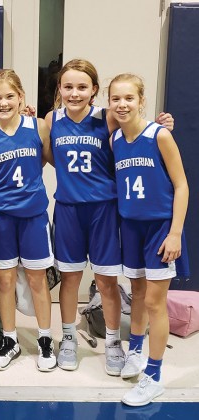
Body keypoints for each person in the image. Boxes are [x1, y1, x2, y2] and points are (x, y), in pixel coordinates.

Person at [44, 59, 174, 375]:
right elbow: (49, 156)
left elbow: (137, 130)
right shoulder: (51, 118)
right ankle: (70, 338)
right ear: (59, 89)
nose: (74, 93)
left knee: (106, 280)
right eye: (68, 87)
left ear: (94, 91)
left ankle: (114, 342)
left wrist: (163, 125)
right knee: (71, 278)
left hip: (104, 209)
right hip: (68, 209)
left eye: (82, 87)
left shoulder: (107, 117)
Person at [108, 74, 188, 406]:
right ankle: (136, 350)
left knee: (155, 303)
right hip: (131, 227)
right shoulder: (115, 140)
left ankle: (153, 377)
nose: (122, 104)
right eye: (116, 99)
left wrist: (175, 232)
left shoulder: (160, 135)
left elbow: (182, 185)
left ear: (142, 100)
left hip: (159, 229)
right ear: (109, 103)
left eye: (129, 98)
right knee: (138, 293)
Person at [0, 69, 57, 372]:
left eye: (10, 96)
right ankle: (10, 339)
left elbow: (49, 159)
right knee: (5, 281)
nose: (4, 102)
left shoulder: (38, 126)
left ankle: (45, 339)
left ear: (21, 97)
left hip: (33, 217)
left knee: (37, 280)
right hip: (0, 220)